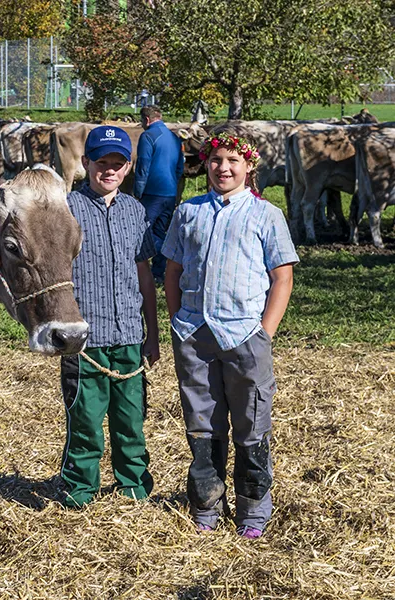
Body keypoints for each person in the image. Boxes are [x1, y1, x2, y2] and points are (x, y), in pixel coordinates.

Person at [162, 126, 298, 539]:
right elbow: (172, 271)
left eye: (232, 161)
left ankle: (253, 509)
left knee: (251, 421)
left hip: (245, 336)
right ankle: (207, 502)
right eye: (216, 160)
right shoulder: (190, 212)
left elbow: (282, 277)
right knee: (202, 422)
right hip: (194, 333)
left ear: (248, 165)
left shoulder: (266, 215)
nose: (223, 168)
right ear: (206, 163)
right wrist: (179, 320)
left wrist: (264, 332)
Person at [60, 125, 160, 508]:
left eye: (118, 164)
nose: (110, 170)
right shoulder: (67, 209)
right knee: (85, 422)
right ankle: (79, 492)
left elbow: (144, 275)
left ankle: (133, 487)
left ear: (128, 167)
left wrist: (151, 333)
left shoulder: (135, 211)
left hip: (129, 336)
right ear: (86, 163)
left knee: (131, 420)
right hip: (86, 338)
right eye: (103, 162)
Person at [134, 105, 185, 284]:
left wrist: (138, 191)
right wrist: (172, 182)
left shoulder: (147, 136)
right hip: (170, 193)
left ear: (146, 120)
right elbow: (180, 167)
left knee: (142, 231)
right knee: (161, 231)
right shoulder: (175, 138)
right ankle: (158, 272)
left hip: (151, 192)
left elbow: (143, 165)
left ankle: (146, 265)